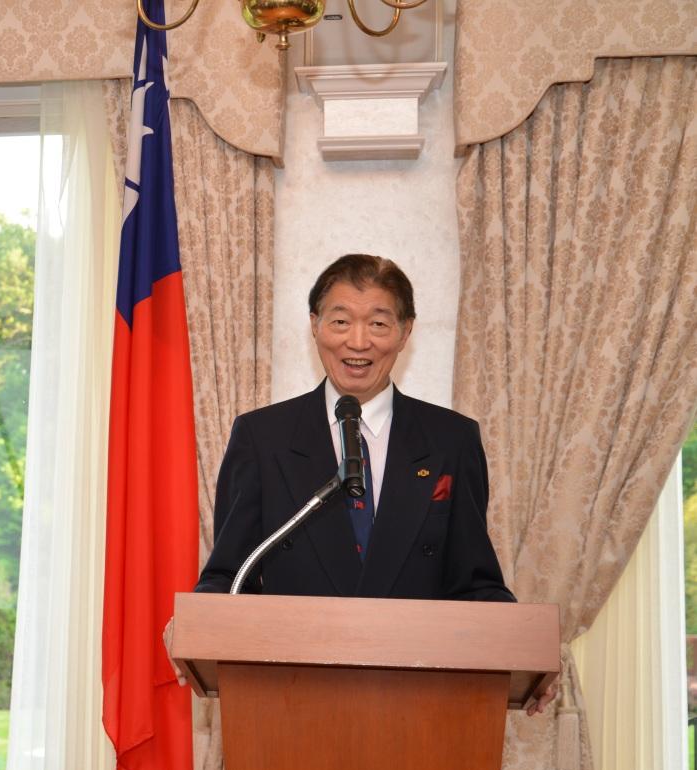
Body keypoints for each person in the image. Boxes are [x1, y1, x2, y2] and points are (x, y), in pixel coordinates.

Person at [191, 255, 554, 712]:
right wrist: (194, 622)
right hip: (288, 702)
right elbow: (231, 574)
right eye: (340, 321)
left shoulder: (451, 441)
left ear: (405, 332)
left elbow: (474, 583)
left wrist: (525, 652)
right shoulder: (262, 438)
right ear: (315, 325)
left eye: (378, 324)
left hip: (418, 703)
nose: (357, 341)